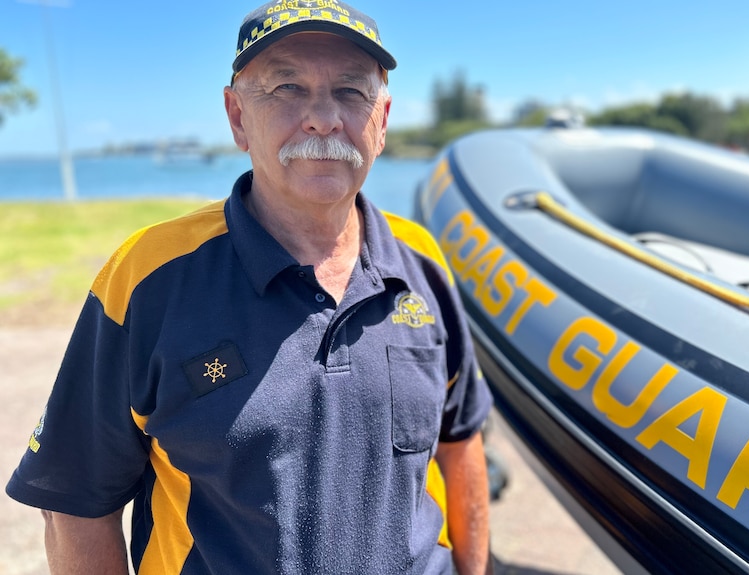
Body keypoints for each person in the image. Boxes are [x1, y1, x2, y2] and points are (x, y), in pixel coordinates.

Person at [5, 1, 494, 573]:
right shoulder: (149, 278)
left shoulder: (422, 262)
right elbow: (74, 503)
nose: (322, 118)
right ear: (237, 117)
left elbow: (461, 446)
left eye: (351, 91)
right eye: (286, 87)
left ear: (381, 121)